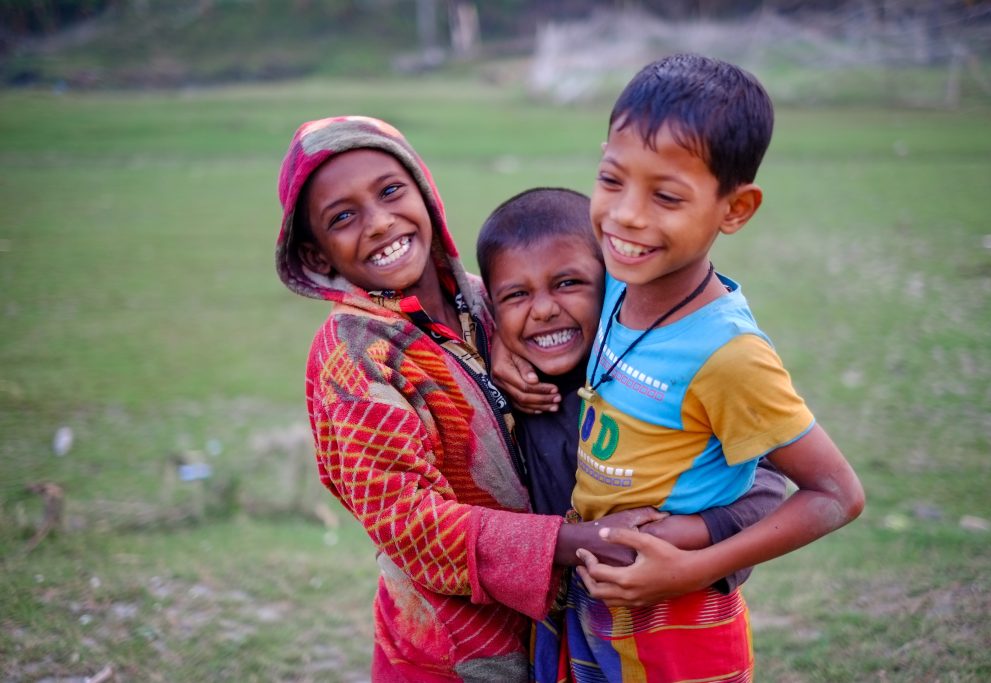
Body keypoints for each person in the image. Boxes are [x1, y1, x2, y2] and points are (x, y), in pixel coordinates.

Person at [503, 54, 865, 681]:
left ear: (735, 209)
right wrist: (505, 346)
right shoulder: (612, 284)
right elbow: (520, 296)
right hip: (596, 604)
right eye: (613, 180)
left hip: (680, 618)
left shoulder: (729, 355)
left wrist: (693, 568)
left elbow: (837, 494)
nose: (627, 215)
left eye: (666, 196)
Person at [273, 115, 668, 682]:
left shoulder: (493, 301)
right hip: (451, 655)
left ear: (425, 194)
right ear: (317, 256)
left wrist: (501, 337)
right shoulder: (351, 356)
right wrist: (575, 542)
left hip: (562, 636)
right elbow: (409, 523)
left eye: (391, 191)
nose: (380, 222)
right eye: (343, 217)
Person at [476, 186, 792, 681]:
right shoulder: (506, 388)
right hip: (566, 627)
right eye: (516, 295)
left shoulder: (652, 376)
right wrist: (498, 341)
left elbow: (767, 482)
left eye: (568, 283)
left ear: (612, 284)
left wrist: (686, 535)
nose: (543, 310)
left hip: (675, 618)